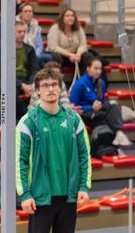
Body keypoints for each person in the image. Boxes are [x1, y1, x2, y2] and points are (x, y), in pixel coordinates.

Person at [16, 67, 90, 233]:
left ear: (60, 88)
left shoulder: (74, 119)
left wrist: (83, 187)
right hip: (40, 198)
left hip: (68, 197)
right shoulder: (28, 122)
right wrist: (25, 194)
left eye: (54, 85)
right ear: (37, 91)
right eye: (45, 85)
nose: (50, 89)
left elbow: (84, 156)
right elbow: (20, 161)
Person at [69, 55, 130, 147]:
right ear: (88, 68)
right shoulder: (80, 83)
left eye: (100, 69)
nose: (98, 71)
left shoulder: (101, 82)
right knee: (110, 116)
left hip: (98, 110)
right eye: (95, 68)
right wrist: (91, 107)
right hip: (85, 113)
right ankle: (119, 127)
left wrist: (99, 105)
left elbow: (103, 102)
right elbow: (73, 106)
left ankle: (118, 134)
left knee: (112, 106)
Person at [15, 20, 40, 120]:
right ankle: (25, 117)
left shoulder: (30, 49)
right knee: (11, 93)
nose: (22, 34)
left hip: (27, 81)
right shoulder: (4, 49)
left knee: (40, 89)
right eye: (19, 32)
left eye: (24, 31)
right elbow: (4, 73)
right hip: (11, 82)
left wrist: (29, 84)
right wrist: (21, 85)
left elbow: (35, 69)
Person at [18, 3, 52, 67]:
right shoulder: (15, 25)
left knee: (49, 57)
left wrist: (35, 55)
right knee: (41, 63)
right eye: (25, 11)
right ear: (20, 13)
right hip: (20, 52)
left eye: (30, 11)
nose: (28, 13)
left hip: (34, 53)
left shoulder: (36, 26)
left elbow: (39, 45)